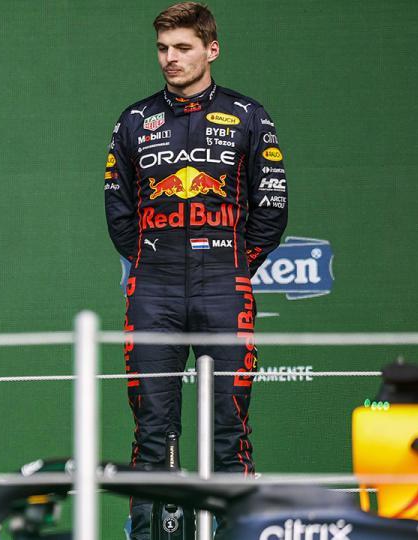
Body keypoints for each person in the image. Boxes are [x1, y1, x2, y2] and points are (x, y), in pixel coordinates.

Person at [103, 3, 287, 538]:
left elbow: (271, 209)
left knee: (228, 431)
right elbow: (118, 211)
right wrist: (152, 262)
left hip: (224, 287)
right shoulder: (134, 120)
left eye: (182, 47)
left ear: (211, 49)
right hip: (153, 290)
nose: (170, 59)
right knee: (152, 433)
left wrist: (228, 264)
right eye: (163, 48)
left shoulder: (250, 116)